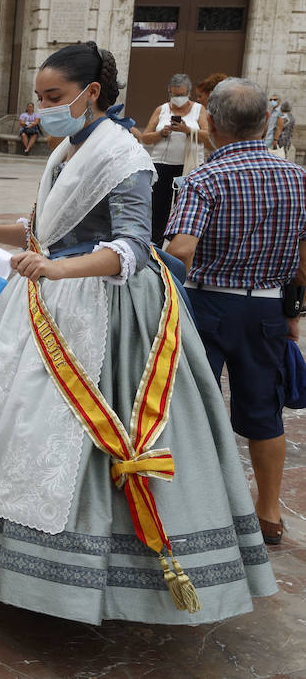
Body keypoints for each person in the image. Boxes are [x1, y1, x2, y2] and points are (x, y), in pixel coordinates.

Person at [0, 41, 274, 625]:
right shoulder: (70, 148)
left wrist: (57, 268)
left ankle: (90, 578)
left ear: (91, 94)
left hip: (104, 313)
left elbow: (132, 245)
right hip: (51, 298)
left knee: (75, 434)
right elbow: (46, 225)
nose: (44, 108)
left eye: (54, 97)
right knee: (16, 422)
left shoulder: (124, 157)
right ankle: (8, 559)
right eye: (40, 98)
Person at [166, 78, 306, 547]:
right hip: (265, 307)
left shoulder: (202, 180)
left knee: (188, 407)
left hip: (205, 305)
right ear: (265, 122)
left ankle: (190, 507)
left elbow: (181, 249)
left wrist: (168, 302)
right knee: (264, 411)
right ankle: (268, 514)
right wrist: (293, 312)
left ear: (208, 122)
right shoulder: (297, 178)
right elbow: (304, 261)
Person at [138, 73, 210, 245]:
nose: (178, 98)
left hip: (188, 166)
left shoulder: (199, 110)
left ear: (189, 93)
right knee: (158, 209)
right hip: (161, 165)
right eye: (174, 94)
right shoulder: (161, 109)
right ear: (169, 91)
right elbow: (145, 138)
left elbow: (209, 137)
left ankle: (179, 245)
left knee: (185, 208)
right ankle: (154, 245)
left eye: (181, 94)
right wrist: (162, 133)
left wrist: (187, 130)